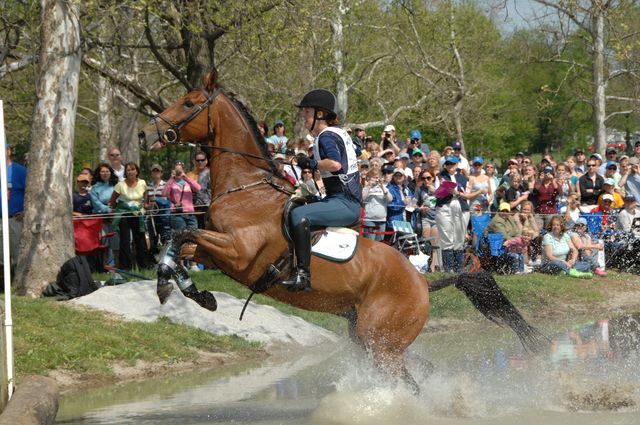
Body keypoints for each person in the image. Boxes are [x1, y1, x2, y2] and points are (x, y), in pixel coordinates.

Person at [284, 89, 361, 291]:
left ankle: (303, 275)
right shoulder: (337, 133)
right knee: (296, 205)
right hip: (341, 199)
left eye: (307, 112)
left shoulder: (326, 136)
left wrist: (310, 162)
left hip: (344, 202)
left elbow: (336, 165)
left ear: (320, 114)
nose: (303, 116)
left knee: (300, 215)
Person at [109, 162, 155, 270]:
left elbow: (145, 201)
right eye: (128, 170)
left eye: (132, 169)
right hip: (124, 215)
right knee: (125, 241)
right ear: (125, 172)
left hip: (138, 214)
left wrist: (148, 206)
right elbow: (112, 201)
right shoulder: (120, 185)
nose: (130, 172)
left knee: (140, 240)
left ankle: (144, 266)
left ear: (137, 171)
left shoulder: (143, 183)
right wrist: (121, 207)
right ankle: (125, 268)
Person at [434, 155, 473, 272]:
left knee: (459, 237)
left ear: (457, 165)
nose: (450, 166)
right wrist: (444, 189)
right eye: (448, 164)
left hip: (460, 206)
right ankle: (449, 268)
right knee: (447, 236)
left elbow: (468, 195)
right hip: (445, 206)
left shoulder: (463, 178)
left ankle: (459, 268)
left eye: (452, 164)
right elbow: (436, 193)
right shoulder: (440, 176)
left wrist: (457, 193)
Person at [1, 144, 27, 270]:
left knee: (17, 253)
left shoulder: (20, 171)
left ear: (8, 151)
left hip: (14, 219)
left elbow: (31, 193)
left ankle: (16, 283)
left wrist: (25, 212)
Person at [89, 163, 119, 268]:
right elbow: (96, 204)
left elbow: (120, 198)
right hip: (101, 218)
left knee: (115, 241)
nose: (105, 173)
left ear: (111, 173)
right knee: (104, 242)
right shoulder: (94, 188)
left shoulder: (116, 186)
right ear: (99, 173)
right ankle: (105, 266)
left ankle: (117, 265)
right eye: (102, 171)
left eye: (107, 171)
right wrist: (108, 209)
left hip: (115, 217)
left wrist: (114, 210)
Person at [162, 161, 201, 234]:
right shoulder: (171, 183)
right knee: (182, 236)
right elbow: (164, 194)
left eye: (180, 170)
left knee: (194, 236)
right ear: (173, 171)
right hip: (177, 214)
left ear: (184, 170)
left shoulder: (187, 182)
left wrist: (186, 177)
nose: (178, 172)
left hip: (190, 214)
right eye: (177, 170)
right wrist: (171, 178)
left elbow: (198, 188)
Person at [413, 170, 440, 271]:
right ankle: (424, 266)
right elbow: (413, 203)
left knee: (434, 243)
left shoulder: (438, 188)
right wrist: (419, 208)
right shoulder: (419, 189)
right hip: (425, 218)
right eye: (423, 178)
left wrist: (435, 192)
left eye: (428, 178)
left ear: (433, 178)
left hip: (437, 218)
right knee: (425, 242)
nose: (426, 180)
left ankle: (432, 267)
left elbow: (444, 202)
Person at [487, 202, 523, 273]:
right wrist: (517, 240)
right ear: (499, 211)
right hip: (498, 247)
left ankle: (521, 271)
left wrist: (516, 239)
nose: (505, 213)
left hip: (509, 244)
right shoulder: (497, 221)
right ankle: (515, 272)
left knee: (520, 255)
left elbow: (517, 231)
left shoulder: (510, 218)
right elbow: (504, 236)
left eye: (507, 211)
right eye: (502, 211)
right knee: (515, 255)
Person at [146, 163, 171, 250]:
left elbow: (169, 200)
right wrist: (149, 206)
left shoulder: (166, 185)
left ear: (161, 173)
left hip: (164, 215)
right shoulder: (148, 186)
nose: (156, 173)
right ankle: (153, 257)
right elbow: (145, 203)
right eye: (154, 171)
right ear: (151, 173)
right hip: (152, 215)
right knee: (153, 237)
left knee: (165, 236)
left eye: (158, 171)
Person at [362, 168, 392, 241]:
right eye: (374, 177)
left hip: (382, 220)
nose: (376, 179)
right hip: (369, 220)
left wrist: (382, 187)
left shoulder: (383, 187)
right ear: (369, 178)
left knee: (380, 244)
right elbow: (362, 198)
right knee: (370, 244)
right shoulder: (365, 188)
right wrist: (369, 187)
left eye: (378, 177)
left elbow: (390, 199)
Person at [187, 151, 212, 229]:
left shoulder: (211, 173)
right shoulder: (189, 175)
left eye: (202, 160)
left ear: (206, 161)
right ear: (194, 161)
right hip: (193, 209)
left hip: (209, 207)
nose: (200, 162)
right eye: (198, 160)